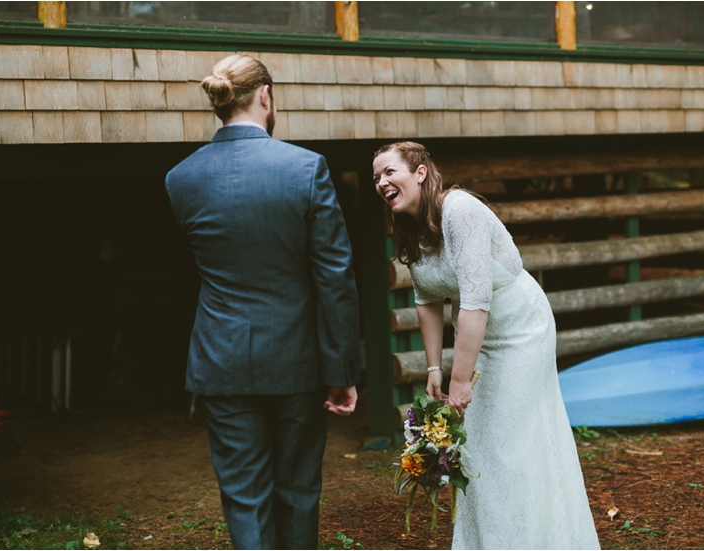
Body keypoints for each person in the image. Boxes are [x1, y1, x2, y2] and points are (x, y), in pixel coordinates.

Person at [166, 54, 361, 550]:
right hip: (296, 357)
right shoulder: (305, 168)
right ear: (266, 96)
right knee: (297, 487)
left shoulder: (181, 179)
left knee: (242, 492)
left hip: (220, 355)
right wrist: (340, 371)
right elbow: (334, 277)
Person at [373, 141, 600, 549]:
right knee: (480, 445)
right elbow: (426, 301)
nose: (381, 181)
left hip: (519, 331)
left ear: (420, 172)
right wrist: (434, 371)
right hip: (477, 339)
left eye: (389, 172)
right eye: (376, 177)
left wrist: (460, 381)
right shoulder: (409, 227)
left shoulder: (459, 209)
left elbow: (475, 301)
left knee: (514, 442)